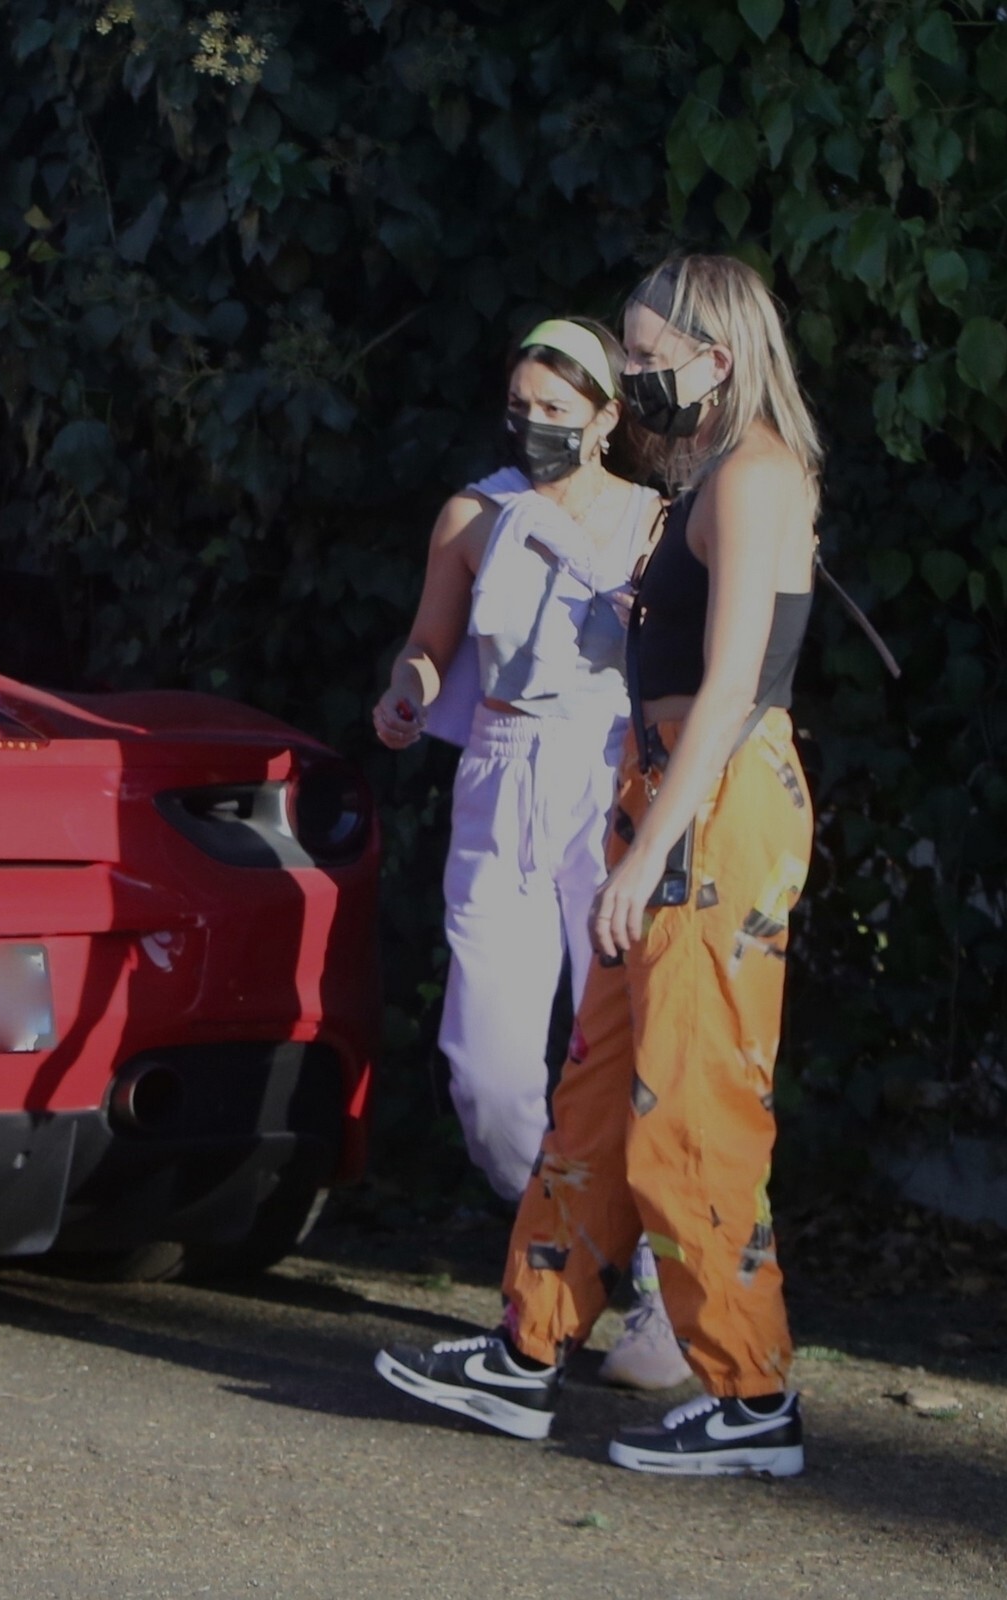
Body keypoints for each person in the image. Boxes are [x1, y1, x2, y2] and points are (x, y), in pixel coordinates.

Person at [376, 254, 823, 1477]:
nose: (630, 374)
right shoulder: (708, 475)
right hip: (662, 789)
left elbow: (733, 686)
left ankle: (750, 1394)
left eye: (643, 354)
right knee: (596, 1090)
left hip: (712, 802)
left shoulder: (758, 472)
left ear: (715, 358)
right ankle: (527, 1353)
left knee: (693, 1094)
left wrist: (652, 847)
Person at [372, 317, 688, 1391]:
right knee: (488, 1072)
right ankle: (575, 1241)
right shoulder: (476, 513)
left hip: (610, 777)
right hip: (500, 772)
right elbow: (428, 645)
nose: (535, 425)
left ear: (606, 417)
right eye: (520, 407)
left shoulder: (657, 521)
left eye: (557, 409)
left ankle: (652, 1285)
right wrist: (406, 694)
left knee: (631, 1043)